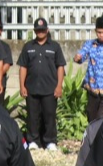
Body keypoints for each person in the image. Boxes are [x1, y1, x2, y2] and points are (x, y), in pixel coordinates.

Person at [18, 18, 67, 152]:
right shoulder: (28, 46)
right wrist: (22, 86)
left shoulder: (55, 47)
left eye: (42, 30)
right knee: (32, 116)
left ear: (47, 30)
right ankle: (33, 141)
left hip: (50, 88)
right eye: (38, 30)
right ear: (34, 31)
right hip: (32, 88)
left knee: (49, 116)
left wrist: (59, 86)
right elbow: (23, 67)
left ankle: (50, 141)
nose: (40, 32)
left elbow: (60, 67)